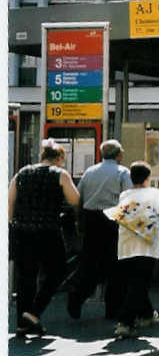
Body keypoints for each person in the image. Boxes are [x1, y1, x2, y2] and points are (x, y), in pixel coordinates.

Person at [8, 139, 80, 337]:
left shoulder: (21, 173)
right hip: (48, 232)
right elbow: (75, 200)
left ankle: (22, 324)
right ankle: (34, 311)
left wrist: (13, 224)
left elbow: (10, 202)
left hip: (23, 232)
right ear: (59, 158)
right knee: (58, 271)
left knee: (26, 277)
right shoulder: (60, 174)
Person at [67, 140, 132, 320]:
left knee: (90, 263)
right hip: (113, 220)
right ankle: (113, 308)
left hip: (92, 220)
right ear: (119, 154)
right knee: (116, 266)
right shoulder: (123, 172)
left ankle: (77, 296)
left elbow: (78, 197)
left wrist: (80, 222)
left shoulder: (90, 171)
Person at [110, 161, 159, 339]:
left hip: (126, 245)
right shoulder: (154, 193)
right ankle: (125, 323)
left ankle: (147, 314)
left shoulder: (125, 195)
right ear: (147, 178)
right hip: (146, 244)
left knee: (135, 281)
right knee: (140, 283)